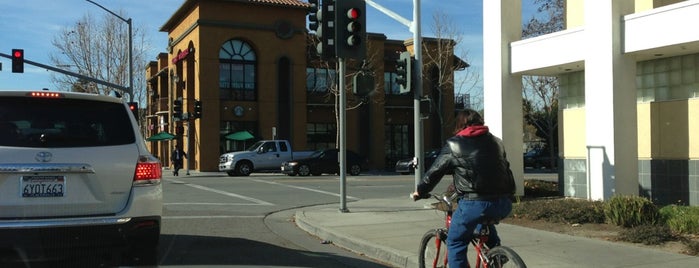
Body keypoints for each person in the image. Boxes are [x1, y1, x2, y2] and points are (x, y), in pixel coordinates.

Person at [411, 109, 516, 268]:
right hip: (504, 203)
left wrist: (420, 191)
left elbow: (433, 174)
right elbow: (506, 170)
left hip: (474, 204)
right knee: (484, 225)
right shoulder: (496, 142)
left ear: (459, 124)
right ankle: (496, 256)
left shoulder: (454, 144)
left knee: (455, 241)